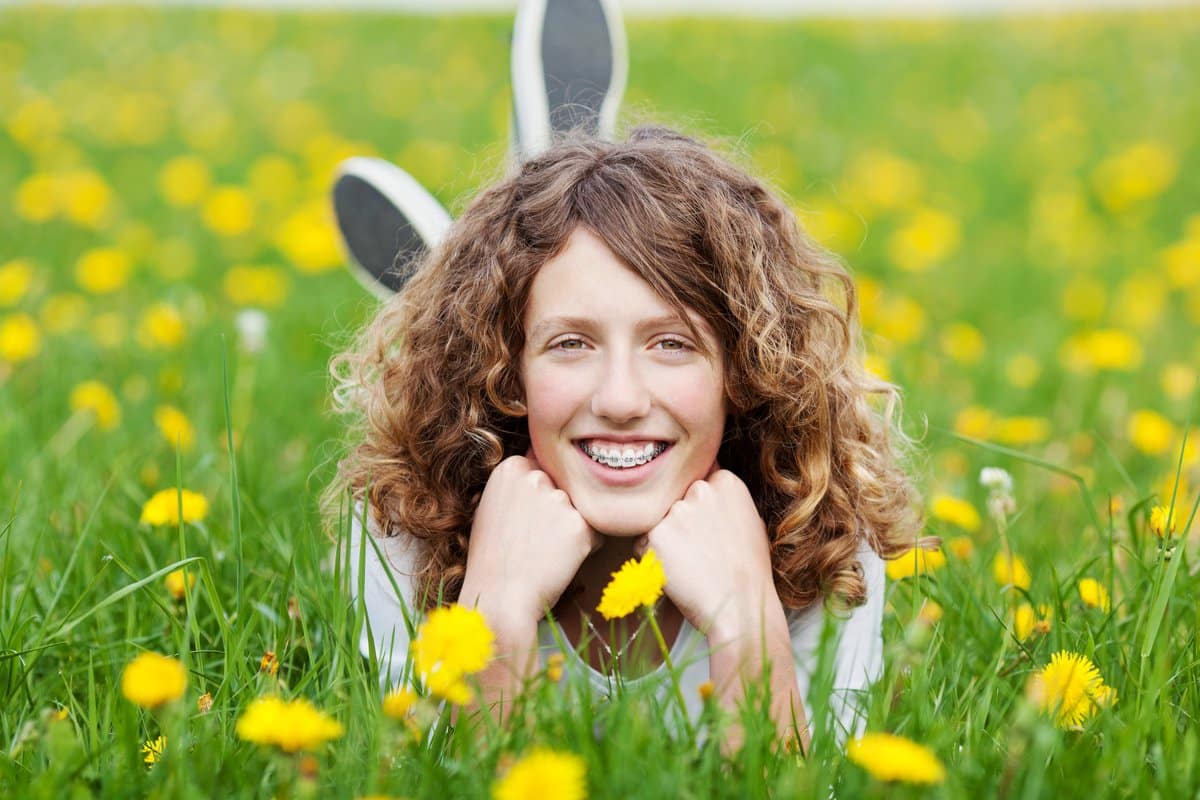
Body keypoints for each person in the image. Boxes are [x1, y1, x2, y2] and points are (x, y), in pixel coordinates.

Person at [328, 126, 922, 750]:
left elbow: (798, 787)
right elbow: (434, 781)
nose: (619, 400)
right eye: (570, 344)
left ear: (744, 371)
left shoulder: (822, 531)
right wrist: (496, 615)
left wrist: (747, 627)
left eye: (672, 343)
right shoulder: (410, 522)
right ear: (507, 370)